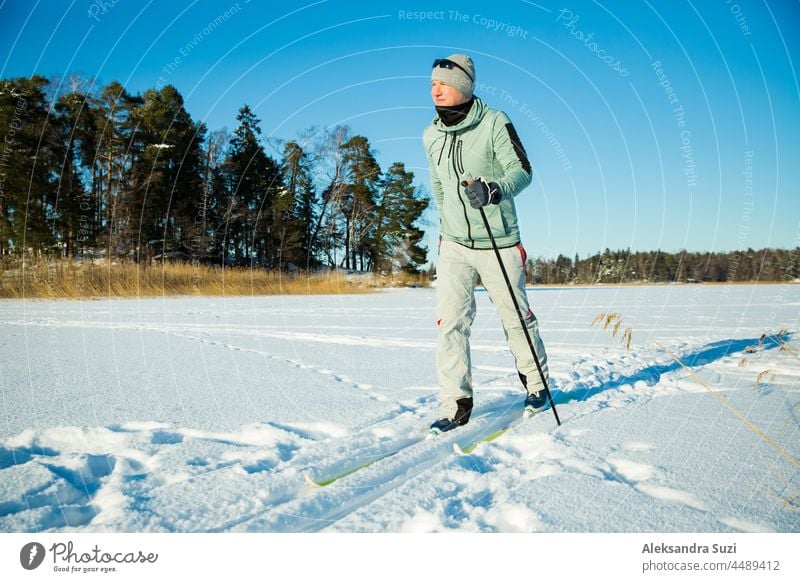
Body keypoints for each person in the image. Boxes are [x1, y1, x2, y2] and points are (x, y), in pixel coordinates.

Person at [423, 54, 550, 433]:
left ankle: (537, 386)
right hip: (455, 246)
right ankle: (456, 404)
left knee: (516, 318)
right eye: (432, 83)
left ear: (463, 85)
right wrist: (446, 234)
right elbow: (439, 188)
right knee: (451, 325)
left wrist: (494, 190)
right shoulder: (430, 134)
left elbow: (522, 171)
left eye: (443, 82)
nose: (435, 89)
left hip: (499, 242)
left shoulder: (495, 122)